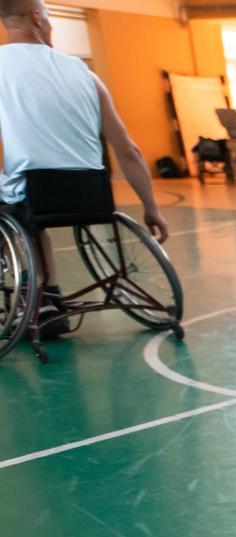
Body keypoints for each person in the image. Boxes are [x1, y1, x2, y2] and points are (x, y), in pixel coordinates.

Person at [0, 0, 169, 336]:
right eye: (50, 19)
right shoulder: (85, 73)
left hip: (36, 195)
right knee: (28, 204)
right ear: (37, 17)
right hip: (93, 194)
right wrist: (151, 208)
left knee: (22, 207)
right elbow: (129, 151)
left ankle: (44, 298)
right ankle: (46, 297)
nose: (52, 27)